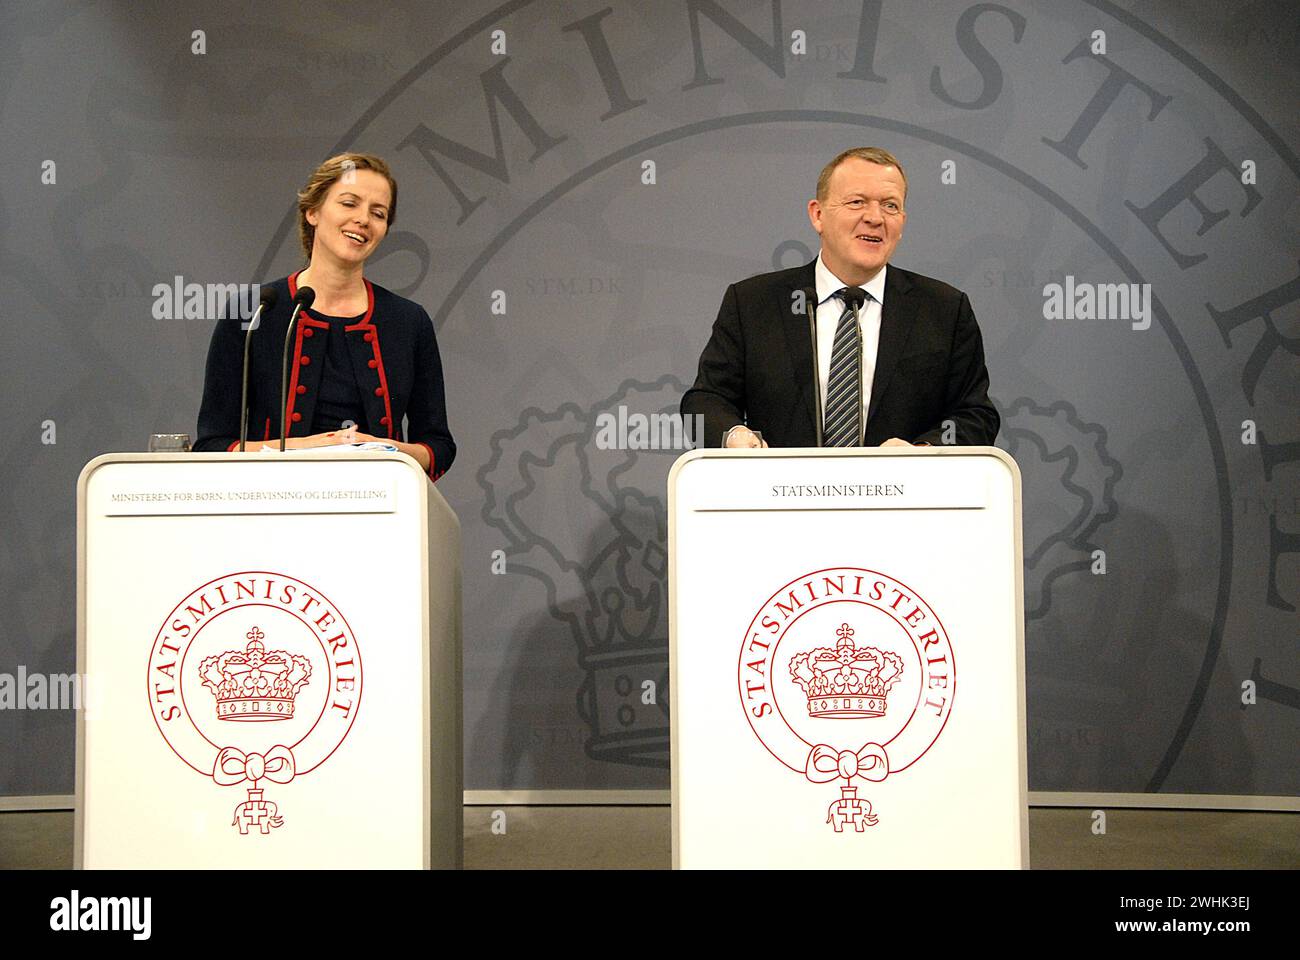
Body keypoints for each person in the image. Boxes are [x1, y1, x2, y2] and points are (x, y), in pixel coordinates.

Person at [681, 147, 998, 449]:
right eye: (857, 202)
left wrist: (923, 451)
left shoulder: (944, 308)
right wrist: (736, 437)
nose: (875, 217)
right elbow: (706, 401)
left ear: (902, 221)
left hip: (903, 500)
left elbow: (976, 415)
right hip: (782, 499)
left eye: (890, 205)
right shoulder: (753, 303)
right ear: (817, 215)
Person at [194, 153, 455, 480]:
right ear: (312, 211)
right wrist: (307, 448)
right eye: (349, 203)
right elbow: (212, 445)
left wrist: (381, 449)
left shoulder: (409, 321)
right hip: (268, 509)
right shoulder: (252, 312)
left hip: (381, 510)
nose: (363, 219)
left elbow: (438, 445)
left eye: (378, 213)